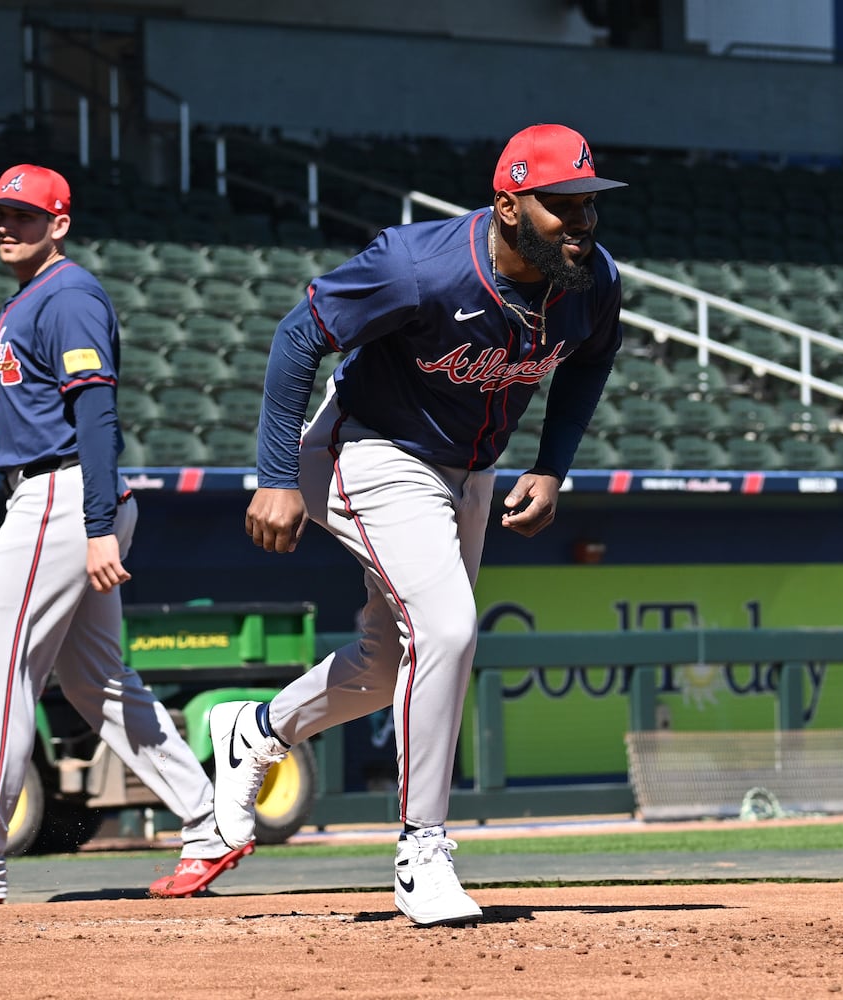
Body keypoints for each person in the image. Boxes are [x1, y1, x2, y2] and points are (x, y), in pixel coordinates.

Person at [210, 123, 627, 926]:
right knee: (445, 628)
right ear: (508, 206)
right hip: (369, 448)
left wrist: (551, 466)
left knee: (386, 660)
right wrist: (272, 477)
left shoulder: (589, 278)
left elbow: (593, 357)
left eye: (586, 205)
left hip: (469, 471)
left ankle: (255, 730)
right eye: (558, 205)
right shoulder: (419, 266)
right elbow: (300, 336)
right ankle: (422, 849)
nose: (578, 223)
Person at [0, 164, 240, 905]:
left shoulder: (69, 295)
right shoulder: (27, 301)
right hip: (56, 495)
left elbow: (95, 419)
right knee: (95, 683)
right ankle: (211, 821)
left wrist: (97, 525)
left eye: (26, 215)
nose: (9, 225)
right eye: (1, 214)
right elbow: (4, 430)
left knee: (2, 674)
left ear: (59, 224)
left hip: (61, 500)